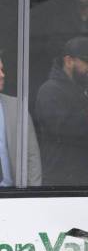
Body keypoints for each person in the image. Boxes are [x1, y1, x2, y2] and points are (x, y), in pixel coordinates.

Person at [35, 36, 88, 186]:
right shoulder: (49, 90)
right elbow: (61, 129)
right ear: (69, 61)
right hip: (59, 179)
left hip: (85, 174)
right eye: (87, 60)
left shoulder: (84, 88)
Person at [0, 54, 42, 187]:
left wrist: (33, 195)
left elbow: (32, 155)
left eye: (2, 70)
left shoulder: (16, 107)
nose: (2, 75)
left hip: (14, 197)